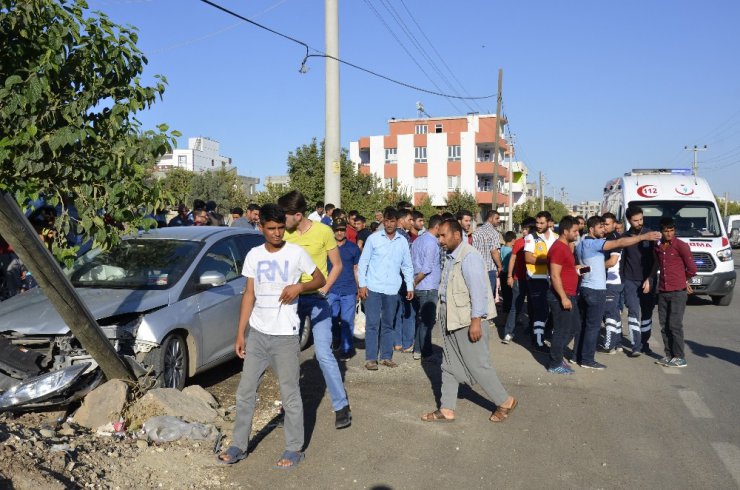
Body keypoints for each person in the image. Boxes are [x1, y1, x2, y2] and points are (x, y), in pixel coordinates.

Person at [219, 203, 325, 468]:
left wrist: (299, 286)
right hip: (257, 333)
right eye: (271, 229)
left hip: (285, 336)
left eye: (280, 228)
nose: (277, 233)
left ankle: (294, 448)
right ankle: (238, 446)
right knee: (245, 392)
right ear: (261, 227)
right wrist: (241, 333)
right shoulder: (254, 255)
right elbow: (249, 295)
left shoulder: (296, 252)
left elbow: (320, 278)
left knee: (289, 394)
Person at [420, 219, 518, 423]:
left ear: (457, 235)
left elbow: (479, 292)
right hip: (452, 318)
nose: (440, 240)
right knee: (448, 365)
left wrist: (476, 321)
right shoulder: (450, 256)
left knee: (478, 365)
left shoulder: (469, 257)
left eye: (443, 235)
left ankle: (505, 400)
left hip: (467, 320)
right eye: (438, 236)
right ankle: (447, 408)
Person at [278, 191, 352, 429]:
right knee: (287, 355)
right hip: (292, 301)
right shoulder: (284, 235)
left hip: (318, 299)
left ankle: (341, 406)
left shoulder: (324, 231)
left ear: (297, 215)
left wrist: (325, 289)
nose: (282, 219)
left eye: (286, 215)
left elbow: (337, 265)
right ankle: (288, 408)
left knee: (323, 353)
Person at [574, 216, 661, 370]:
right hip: (596, 290)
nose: (604, 229)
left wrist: (593, 268)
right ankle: (587, 359)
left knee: (583, 325)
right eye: (600, 227)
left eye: (604, 226)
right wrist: (643, 237)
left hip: (585, 288)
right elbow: (620, 243)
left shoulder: (581, 244)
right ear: (592, 229)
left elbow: (581, 269)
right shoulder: (595, 243)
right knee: (593, 327)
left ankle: (577, 356)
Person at [357, 207, 414, 370]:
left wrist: (409, 285)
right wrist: (362, 285)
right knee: (373, 324)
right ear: (383, 221)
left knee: (389, 324)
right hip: (373, 288)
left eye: (392, 221)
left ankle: (386, 357)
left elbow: (407, 266)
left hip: (392, 289)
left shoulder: (402, 241)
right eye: (386, 221)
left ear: (397, 222)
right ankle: (371, 359)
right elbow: (363, 263)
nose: (389, 224)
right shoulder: (374, 239)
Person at [652, 218, 697, 368]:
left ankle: (679, 357)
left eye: (672, 230)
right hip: (663, 291)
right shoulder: (658, 246)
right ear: (661, 231)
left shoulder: (681, 246)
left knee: (675, 325)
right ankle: (669, 355)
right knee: (664, 325)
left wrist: (684, 280)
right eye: (666, 231)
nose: (669, 233)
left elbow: (692, 269)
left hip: (678, 292)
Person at [621, 206, 658, 357]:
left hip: (648, 280)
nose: (639, 223)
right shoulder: (624, 237)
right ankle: (636, 345)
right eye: (635, 220)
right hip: (630, 281)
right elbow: (622, 261)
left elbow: (657, 261)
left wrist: (650, 278)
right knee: (633, 313)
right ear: (629, 220)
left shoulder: (652, 235)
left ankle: (644, 343)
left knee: (647, 314)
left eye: (641, 219)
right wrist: (622, 282)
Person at [547, 217, 581, 374]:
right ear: (565, 231)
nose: (577, 233)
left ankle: (557, 355)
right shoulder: (559, 248)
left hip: (569, 294)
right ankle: (555, 363)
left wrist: (576, 268)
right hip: (562, 295)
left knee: (574, 327)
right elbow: (554, 275)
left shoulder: (566, 246)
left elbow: (565, 269)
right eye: (574, 231)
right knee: (562, 330)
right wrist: (563, 297)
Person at [326, 219, 361, 360]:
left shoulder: (353, 248)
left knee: (347, 321)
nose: (339, 232)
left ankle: (347, 349)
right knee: (331, 319)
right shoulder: (327, 248)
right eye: (337, 230)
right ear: (333, 231)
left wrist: (359, 287)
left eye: (342, 230)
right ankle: (336, 339)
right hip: (331, 290)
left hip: (349, 290)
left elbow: (356, 269)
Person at [524, 211, 558, 351]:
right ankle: (537, 341)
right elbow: (528, 258)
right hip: (536, 278)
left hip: (553, 278)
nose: (538, 225)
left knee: (553, 309)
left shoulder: (556, 237)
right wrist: (549, 259)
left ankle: (544, 333)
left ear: (549, 222)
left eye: (541, 223)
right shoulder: (531, 237)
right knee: (540, 310)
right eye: (537, 222)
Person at [411, 214, 442, 361]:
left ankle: (418, 349)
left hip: (420, 285)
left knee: (422, 319)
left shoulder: (418, 240)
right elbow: (427, 268)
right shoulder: (431, 243)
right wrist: (416, 281)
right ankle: (426, 352)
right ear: (437, 227)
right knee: (427, 322)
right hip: (427, 285)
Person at [503, 218, 536, 343]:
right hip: (519, 279)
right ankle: (508, 332)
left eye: (526, 229)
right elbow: (512, 259)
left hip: (533, 279)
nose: (523, 231)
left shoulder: (537, 242)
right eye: (522, 228)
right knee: (515, 306)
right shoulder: (519, 242)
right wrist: (510, 276)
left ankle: (532, 331)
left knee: (533, 307)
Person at [601, 212, 624, 353]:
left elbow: (612, 261)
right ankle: (618, 343)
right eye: (603, 224)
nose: (604, 227)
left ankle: (610, 344)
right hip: (613, 281)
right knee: (614, 312)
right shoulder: (609, 237)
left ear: (615, 224)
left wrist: (593, 268)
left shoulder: (613, 239)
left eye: (607, 224)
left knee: (609, 312)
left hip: (611, 281)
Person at [393, 207, 415, 351]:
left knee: (396, 311)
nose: (411, 222)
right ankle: (407, 343)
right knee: (408, 312)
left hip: (392, 279)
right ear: (401, 220)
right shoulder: (404, 237)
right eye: (409, 219)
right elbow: (407, 261)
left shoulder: (390, 235)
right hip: (403, 278)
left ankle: (397, 342)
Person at [472, 210, 503, 308]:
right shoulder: (493, 233)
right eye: (497, 218)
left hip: (477, 268)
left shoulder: (477, 231)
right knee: (489, 297)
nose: (499, 221)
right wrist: (499, 266)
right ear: (490, 218)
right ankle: (486, 318)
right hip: (489, 269)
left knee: (478, 296)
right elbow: (494, 251)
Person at [499, 231, 516, 317]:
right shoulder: (511, 251)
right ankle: (507, 317)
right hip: (509, 275)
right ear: (513, 240)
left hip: (502, 273)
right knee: (510, 297)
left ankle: (504, 317)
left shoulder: (502, 248)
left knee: (505, 296)